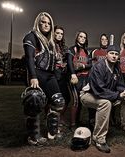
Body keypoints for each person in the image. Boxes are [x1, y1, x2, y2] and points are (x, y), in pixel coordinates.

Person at [80, 45, 125, 153]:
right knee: (106, 103)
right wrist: (117, 95)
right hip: (89, 95)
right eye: (112, 53)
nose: (114, 56)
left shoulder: (116, 67)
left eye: (116, 54)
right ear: (106, 55)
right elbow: (99, 90)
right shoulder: (98, 67)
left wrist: (123, 91)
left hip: (105, 94)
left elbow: (119, 84)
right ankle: (98, 138)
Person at [22, 12, 65, 145]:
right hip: (37, 73)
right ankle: (33, 137)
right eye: (43, 22)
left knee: (59, 101)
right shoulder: (31, 36)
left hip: (50, 75)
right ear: (38, 23)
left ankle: (52, 131)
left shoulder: (51, 41)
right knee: (34, 100)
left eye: (48, 23)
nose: (46, 25)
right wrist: (33, 77)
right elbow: (29, 58)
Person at [66, 31, 92, 130]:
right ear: (77, 38)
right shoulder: (72, 49)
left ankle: (77, 120)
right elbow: (70, 63)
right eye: (80, 36)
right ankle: (72, 124)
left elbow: (90, 65)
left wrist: (82, 65)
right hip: (75, 78)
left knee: (82, 101)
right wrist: (73, 73)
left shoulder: (86, 51)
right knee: (75, 100)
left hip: (85, 78)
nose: (82, 38)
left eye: (84, 37)